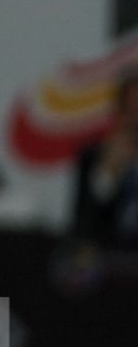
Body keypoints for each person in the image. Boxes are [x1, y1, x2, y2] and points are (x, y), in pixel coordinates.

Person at [72, 71, 138, 241]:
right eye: (130, 112)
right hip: (111, 257)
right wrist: (108, 173)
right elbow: (84, 227)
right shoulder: (93, 157)